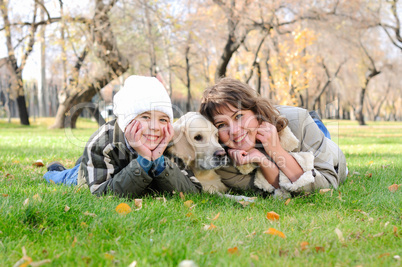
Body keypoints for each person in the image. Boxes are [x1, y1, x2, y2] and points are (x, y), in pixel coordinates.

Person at [44, 75, 202, 198]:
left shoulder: (169, 141)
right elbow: (100, 194)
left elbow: (193, 191)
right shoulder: (102, 142)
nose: (155, 127)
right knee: (66, 178)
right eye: (145, 117)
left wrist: (159, 161)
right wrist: (144, 161)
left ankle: (81, 163)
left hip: (107, 167)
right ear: (127, 120)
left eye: (163, 119)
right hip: (92, 176)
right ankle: (57, 170)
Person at [199, 77, 347, 198]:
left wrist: (277, 150)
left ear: (256, 110)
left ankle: (316, 121)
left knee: (319, 129)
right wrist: (263, 161)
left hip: (313, 135)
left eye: (239, 116)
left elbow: (327, 186)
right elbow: (275, 191)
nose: (234, 131)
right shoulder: (225, 167)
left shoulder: (300, 121)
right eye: (221, 125)